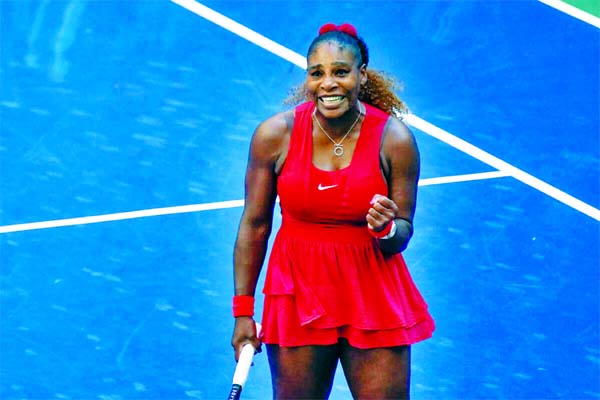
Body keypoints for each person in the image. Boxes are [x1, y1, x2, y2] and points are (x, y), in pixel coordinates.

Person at [231, 22, 435, 399]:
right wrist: (243, 310)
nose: (328, 84)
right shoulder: (274, 136)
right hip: (298, 293)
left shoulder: (395, 141)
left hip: (372, 294)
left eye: (341, 72)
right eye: (317, 73)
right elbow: (255, 225)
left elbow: (402, 233)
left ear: (362, 75)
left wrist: (387, 230)